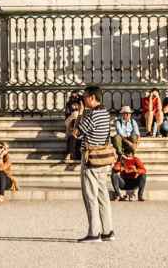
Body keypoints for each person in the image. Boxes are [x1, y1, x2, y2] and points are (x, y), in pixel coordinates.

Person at [76, 85, 115, 243]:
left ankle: (94, 233)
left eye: (85, 97)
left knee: (90, 196)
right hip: (103, 159)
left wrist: (79, 113)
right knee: (103, 195)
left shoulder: (91, 115)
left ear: (92, 97)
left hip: (90, 159)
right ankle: (108, 230)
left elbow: (76, 133)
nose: (83, 100)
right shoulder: (105, 113)